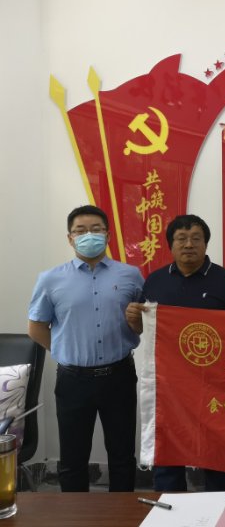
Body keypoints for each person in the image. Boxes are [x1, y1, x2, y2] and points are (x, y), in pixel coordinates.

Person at [125, 214, 225, 492]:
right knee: (169, 445)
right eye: (181, 238)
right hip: (169, 384)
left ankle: (218, 502)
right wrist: (133, 317)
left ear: (206, 244)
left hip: (215, 381)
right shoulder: (155, 280)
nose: (189, 244)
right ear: (171, 245)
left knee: (218, 448)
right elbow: (143, 328)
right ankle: (170, 504)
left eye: (195, 238)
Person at [28, 205, 144, 492]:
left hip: (119, 376)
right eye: (80, 231)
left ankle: (123, 512)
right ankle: (75, 513)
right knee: (73, 458)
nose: (88, 235)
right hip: (73, 379)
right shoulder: (50, 279)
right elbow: (36, 327)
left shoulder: (130, 275)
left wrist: (139, 322)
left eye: (96, 229)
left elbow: (145, 323)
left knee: (122, 455)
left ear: (107, 235)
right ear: (70, 238)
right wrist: (66, 352)